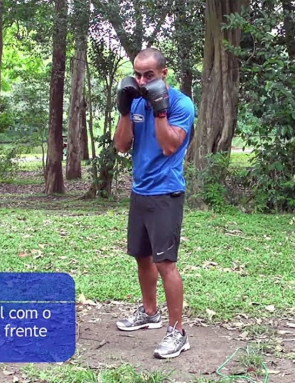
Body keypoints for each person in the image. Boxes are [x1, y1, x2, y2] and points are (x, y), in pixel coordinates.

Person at [112, 47, 195, 359]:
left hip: (166, 192)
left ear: (163, 73)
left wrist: (159, 109)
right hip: (141, 189)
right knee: (142, 257)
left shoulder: (181, 104)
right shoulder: (134, 99)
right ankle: (149, 312)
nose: (142, 79)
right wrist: (124, 111)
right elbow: (121, 145)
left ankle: (178, 332)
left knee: (165, 263)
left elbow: (170, 145)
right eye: (138, 73)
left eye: (149, 74)